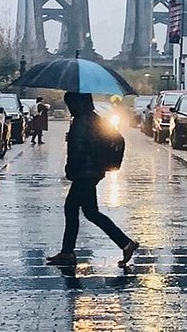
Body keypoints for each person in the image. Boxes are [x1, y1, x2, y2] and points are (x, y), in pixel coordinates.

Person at [46, 92, 138, 268]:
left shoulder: (82, 121)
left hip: (85, 173)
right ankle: (125, 244)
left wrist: (70, 168)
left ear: (77, 103)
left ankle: (68, 252)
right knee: (89, 212)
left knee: (73, 208)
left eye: (70, 103)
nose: (69, 107)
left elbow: (79, 151)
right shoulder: (94, 118)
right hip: (92, 172)